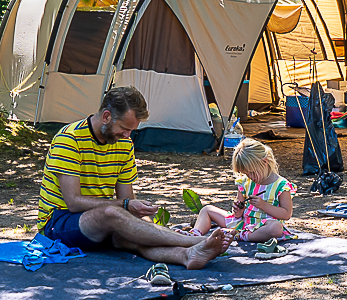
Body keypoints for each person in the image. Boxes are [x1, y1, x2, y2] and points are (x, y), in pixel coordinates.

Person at [37, 85, 236, 269]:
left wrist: (146, 224)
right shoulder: (69, 140)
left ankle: (187, 255)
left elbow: (128, 202)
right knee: (112, 213)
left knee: (134, 235)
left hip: (101, 221)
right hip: (58, 224)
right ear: (106, 116)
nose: (128, 135)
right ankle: (197, 241)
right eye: (124, 128)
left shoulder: (124, 145)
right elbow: (73, 203)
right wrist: (125, 207)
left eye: (132, 130)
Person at [191, 138, 294, 243]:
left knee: (276, 228)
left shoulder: (281, 186)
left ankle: (240, 235)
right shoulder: (245, 182)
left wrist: (263, 205)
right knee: (207, 210)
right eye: (246, 174)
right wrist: (238, 211)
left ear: (265, 162)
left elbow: (286, 214)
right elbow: (238, 213)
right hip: (243, 223)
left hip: (262, 228)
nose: (250, 177)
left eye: (252, 172)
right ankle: (194, 234)